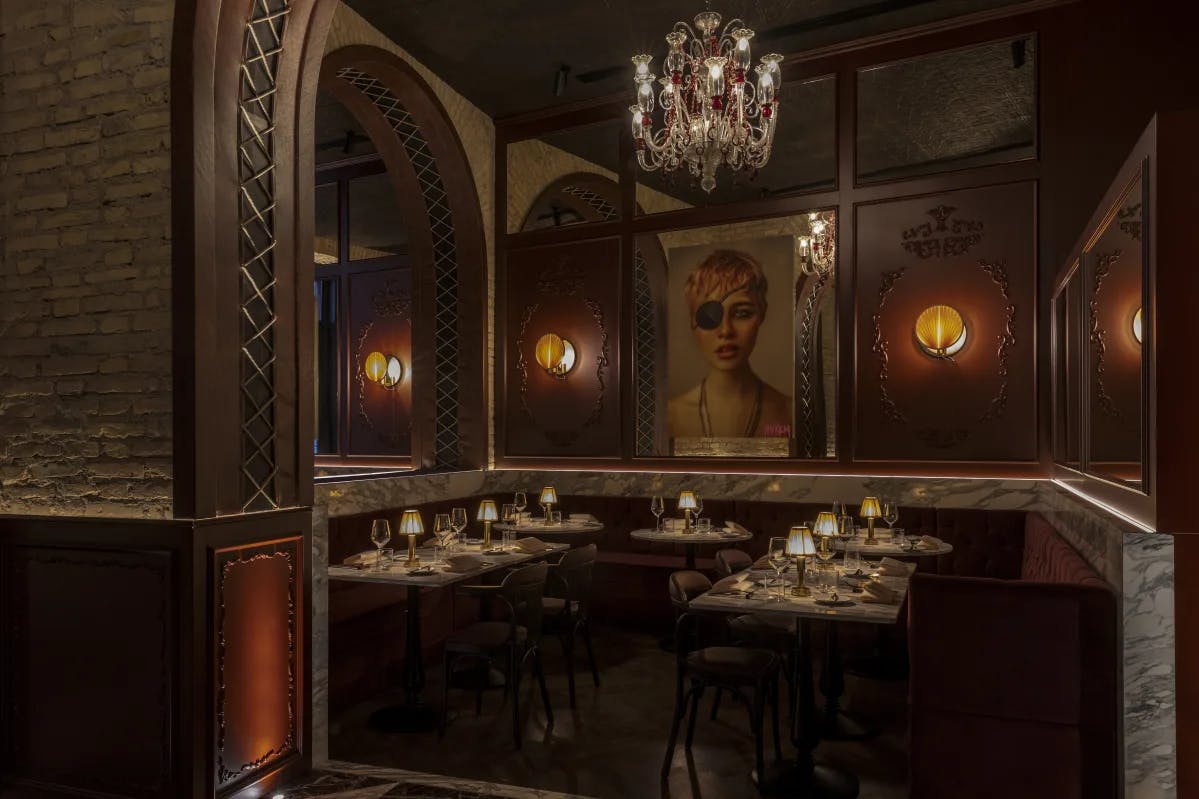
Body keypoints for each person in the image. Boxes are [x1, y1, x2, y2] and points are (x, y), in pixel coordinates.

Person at [668, 249, 791, 439]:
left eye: (741, 314)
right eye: (709, 316)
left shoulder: (790, 413)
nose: (725, 331)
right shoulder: (671, 417)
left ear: (762, 314)